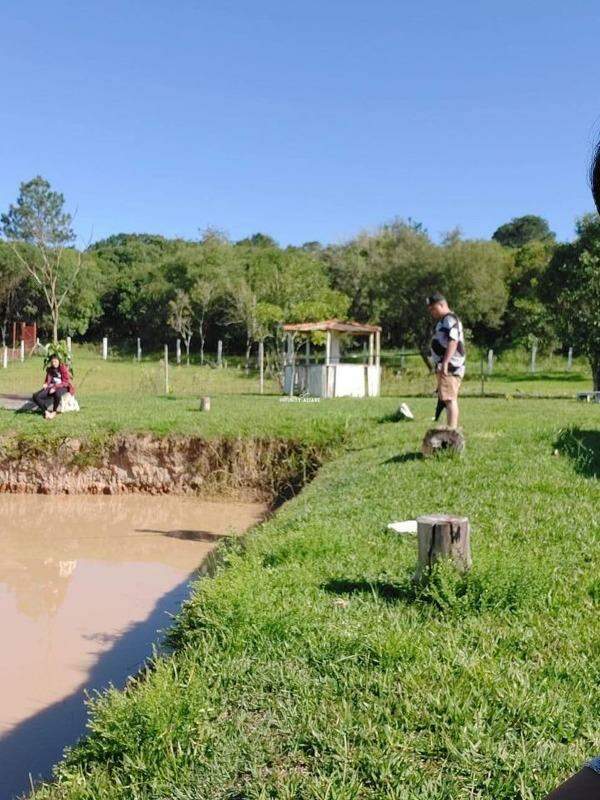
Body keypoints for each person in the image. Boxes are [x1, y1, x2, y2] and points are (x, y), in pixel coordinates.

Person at [427, 292, 465, 429]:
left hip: (451, 366)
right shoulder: (443, 321)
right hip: (445, 365)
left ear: (442, 304)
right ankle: (449, 428)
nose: (432, 312)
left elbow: (453, 341)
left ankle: (452, 430)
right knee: (446, 397)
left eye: (433, 308)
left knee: (449, 399)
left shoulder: (450, 319)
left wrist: (445, 362)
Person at [31, 354, 74, 420]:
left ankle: (54, 411)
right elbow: (47, 380)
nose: (54, 363)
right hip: (51, 387)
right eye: (52, 362)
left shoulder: (63, 368)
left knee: (57, 394)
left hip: (63, 387)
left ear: (59, 361)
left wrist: (55, 387)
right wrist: (45, 384)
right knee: (35, 396)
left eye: (55, 362)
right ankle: (46, 411)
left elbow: (65, 382)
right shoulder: (50, 369)